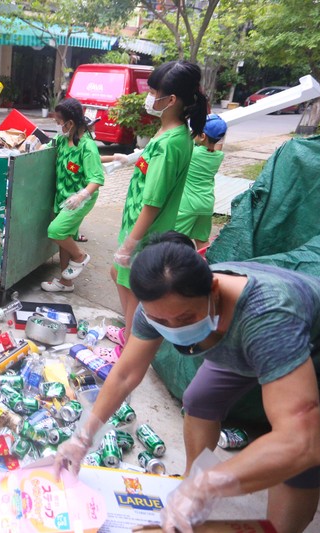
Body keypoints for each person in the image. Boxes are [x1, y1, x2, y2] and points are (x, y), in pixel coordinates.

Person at [55, 231, 320, 532]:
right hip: (236, 342)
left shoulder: (268, 316)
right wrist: (82, 437)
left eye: (184, 318)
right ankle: (193, 482)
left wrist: (210, 484)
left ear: (215, 290)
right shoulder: (160, 303)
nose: (172, 328)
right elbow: (126, 373)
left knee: (296, 463)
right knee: (200, 400)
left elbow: (299, 444)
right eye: (161, 321)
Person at [110, 60, 208, 350]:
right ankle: (130, 334)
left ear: (172, 100)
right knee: (117, 276)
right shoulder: (167, 134)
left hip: (144, 231)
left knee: (132, 291)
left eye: (153, 91)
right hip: (137, 226)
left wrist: (130, 244)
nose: (148, 97)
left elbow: (153, 202)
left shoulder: (171, 143)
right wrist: (130, 159)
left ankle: (129, 347)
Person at [40, 98, 104, 295]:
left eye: (60, 122)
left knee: (55, 231)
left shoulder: (87, 146)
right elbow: (47, 145)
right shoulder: (63, 140)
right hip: (63, 196)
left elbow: (97, 178)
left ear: (71, 123)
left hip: (80, 199)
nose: (58, 125)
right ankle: (65, 283)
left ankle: (80, 256)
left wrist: (81, 196)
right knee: (64, 236)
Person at [174, 114, 228, 248]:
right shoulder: (219, 156)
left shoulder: (192, 153)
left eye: (195, 132)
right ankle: (205, 267)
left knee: (173, 241)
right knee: (202, 240)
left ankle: (177, 267)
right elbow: (216, 144)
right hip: (206, 204)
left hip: (187, 205)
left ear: (203, 136)